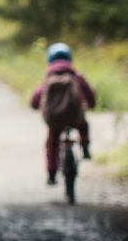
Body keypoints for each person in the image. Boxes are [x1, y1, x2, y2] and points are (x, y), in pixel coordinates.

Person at [29, 42, 96, 186]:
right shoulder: (77, 77)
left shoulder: (48, 79)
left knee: (52, 142)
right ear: (70, 58)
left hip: (55, 120)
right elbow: (89, 95)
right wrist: (90, 104)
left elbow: (36, 99)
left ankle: (52, 173)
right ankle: (85, 147)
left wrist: (35, 105)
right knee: (84, 125)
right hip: (75, 117)